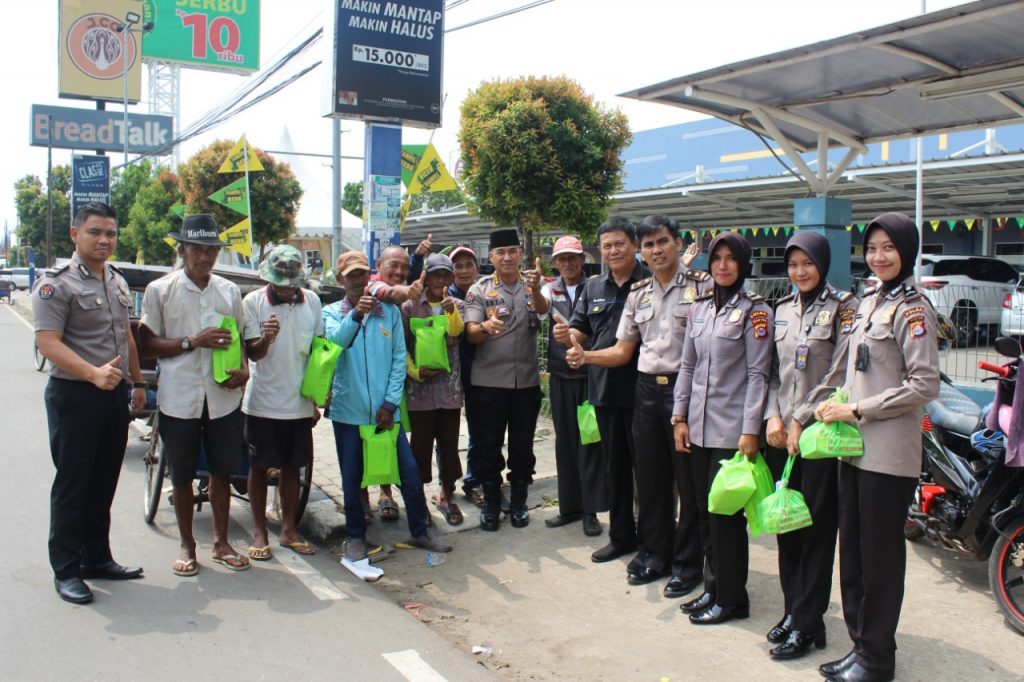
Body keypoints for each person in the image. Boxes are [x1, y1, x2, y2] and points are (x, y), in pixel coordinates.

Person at [814, 213, 939, 682]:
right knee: (855, 555)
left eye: (889, 247)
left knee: (881, 560)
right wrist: (832, 404)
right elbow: (856, 368)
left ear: (906, 251)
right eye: (872, 248)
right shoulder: (871, 302)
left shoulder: (912, 309)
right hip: (852, 448)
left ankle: (876, 660)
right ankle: (860, 646)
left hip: (887, 454)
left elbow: (923, 384)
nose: (879, 256)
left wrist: (859, 410)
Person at [565, 215, 708, 597]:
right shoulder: (639, 293)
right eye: (650, 245)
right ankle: (654, 553)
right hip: (646, 390)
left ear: (677, 243)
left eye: (662, 242)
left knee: (687, 482)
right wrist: (586, 358)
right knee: (651, 479)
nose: (656, 250)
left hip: (686, 391)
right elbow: (623, 350)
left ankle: (688, 563)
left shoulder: (704, 288)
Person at [33, 202, 145, 604]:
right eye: (95, 231)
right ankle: (66, 570)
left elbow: (127, 335)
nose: (104, 240)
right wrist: (93, 374)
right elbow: (48, 343)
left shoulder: (115, 280)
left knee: (103, 482)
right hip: (75, 395)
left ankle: (96, 558)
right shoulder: (55, 284)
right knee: (72, 485)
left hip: (114, 395)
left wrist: (136, 382)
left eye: (111, 233)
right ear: (74, 234)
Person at [762, 231, 858, 659]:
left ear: (822, 264)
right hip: (781, 435)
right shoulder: (780, 308)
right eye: (793, 264)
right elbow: (769, 372)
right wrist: (774, 416)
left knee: (817, 529)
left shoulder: (843, 308)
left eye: (808, 264)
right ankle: (792, 612)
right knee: (787, 525)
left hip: (817, 438)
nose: (800, 272)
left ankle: (808, 621)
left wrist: (801, 417)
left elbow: (839, 374)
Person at [139, 214, 251, 576]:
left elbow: (238, 341)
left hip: (222, 398)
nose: (204, 257)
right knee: (182, 474)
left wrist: (244, 370)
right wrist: (192, 341)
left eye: (211, 250)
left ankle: (221, 542)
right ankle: (188, 545)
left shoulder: (229, 291)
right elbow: (147, 343)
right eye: (197, 249)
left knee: (221, 471)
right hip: (179, 395)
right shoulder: (161, 290)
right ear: (183, 249)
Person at [324, 251, 451, 562]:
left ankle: (420, 530)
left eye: (362, 274)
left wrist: (391, 402)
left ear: (371, 276)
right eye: (351, 275)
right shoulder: (330, 312)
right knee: (352, 475)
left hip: (385, 411)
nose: (357, 281)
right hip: (348, 410)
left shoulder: (389, 312)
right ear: (340, 279)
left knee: (408, 473)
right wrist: (355, 316)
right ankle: (356, 535)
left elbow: (398, 359)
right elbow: (335, 346)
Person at [672, 231, 773, 625]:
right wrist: (679, 417)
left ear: (743, 265)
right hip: (696, 428)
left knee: (727, 518)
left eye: (732, 259)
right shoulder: (698, 309)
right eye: (717, 258)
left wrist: (751, 430)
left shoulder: (755, 311)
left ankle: (732, 598)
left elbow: (758, 374)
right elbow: (687, 366)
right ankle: (712, 588)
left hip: (732, 432)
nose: (723, 265)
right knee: (702, 511)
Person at [560, 217, 647, 565]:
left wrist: (585, 354)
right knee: (617, 468)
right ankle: (622, 536)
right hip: (606, 392)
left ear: (634, 245)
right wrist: (570, 338)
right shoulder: (593, 286)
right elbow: (580, 327)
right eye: (607, 245)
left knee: (652, 473)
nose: (613, 250)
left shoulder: (651, 282)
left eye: (620, 244)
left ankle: (655, 540)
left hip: (646, 393)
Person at [464, 228, 549, 530]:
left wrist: (536, 288)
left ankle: (519, 502)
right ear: (492, 257)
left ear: (521, 254)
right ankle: (490, 501)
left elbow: (543, 310)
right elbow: (471, 333)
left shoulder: (532, 287)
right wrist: (486, 326)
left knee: (522, 445)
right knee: (488, 445)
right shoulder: (479, 289)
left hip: (525, 383)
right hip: (488, 383)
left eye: (513, 251)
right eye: (501, 252)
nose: (508, 257)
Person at [241, 245, 321, 561]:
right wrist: (266, 338)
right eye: (280, 284)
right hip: (262, 401)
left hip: (299, 402)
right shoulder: (253, 302)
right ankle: (260, 531)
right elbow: (253, 353)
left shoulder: (312, 301)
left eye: (291, 284)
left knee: (293, 468)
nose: (286, 290)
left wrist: (316, 397)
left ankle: (288, 529)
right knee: (258, 468)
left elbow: (318, 351)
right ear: (270, 280)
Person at [542, 235, 605, 536]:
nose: (567, 264)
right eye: (561, 259)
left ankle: (591, 511)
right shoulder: (549, 289)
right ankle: (569, 507)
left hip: (588, 375)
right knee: (564, 442)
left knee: (589, 442)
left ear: (583, 260)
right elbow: (539, 308)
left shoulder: (595, 287)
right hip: (559, 376)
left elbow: (602, 328)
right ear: (554, 263)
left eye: (573, 258)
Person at [402, 253, 466, 526]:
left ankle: (446, 496)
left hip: (449, 391)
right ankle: (419, 503)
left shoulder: (458, 306)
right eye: (435, 274)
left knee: (450, 446)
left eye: (445, 275)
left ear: (451, 278)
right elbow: (402, 347)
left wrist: (451, 311)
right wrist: (415, 372)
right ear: (426, 276)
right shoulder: (410, 307)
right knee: (420, 448)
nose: (440, 280)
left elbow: (457, 336)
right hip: (420, 392)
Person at [448, 245, 484, 507]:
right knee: (446, 432)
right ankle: (446, 484)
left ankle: (474, 481)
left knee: (478, 431)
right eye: (457, 266)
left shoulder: (484, 294)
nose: (462, 270)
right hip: (445, 375)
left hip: (477, 372)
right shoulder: (442, 296)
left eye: (467, 265)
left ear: (477, 269)